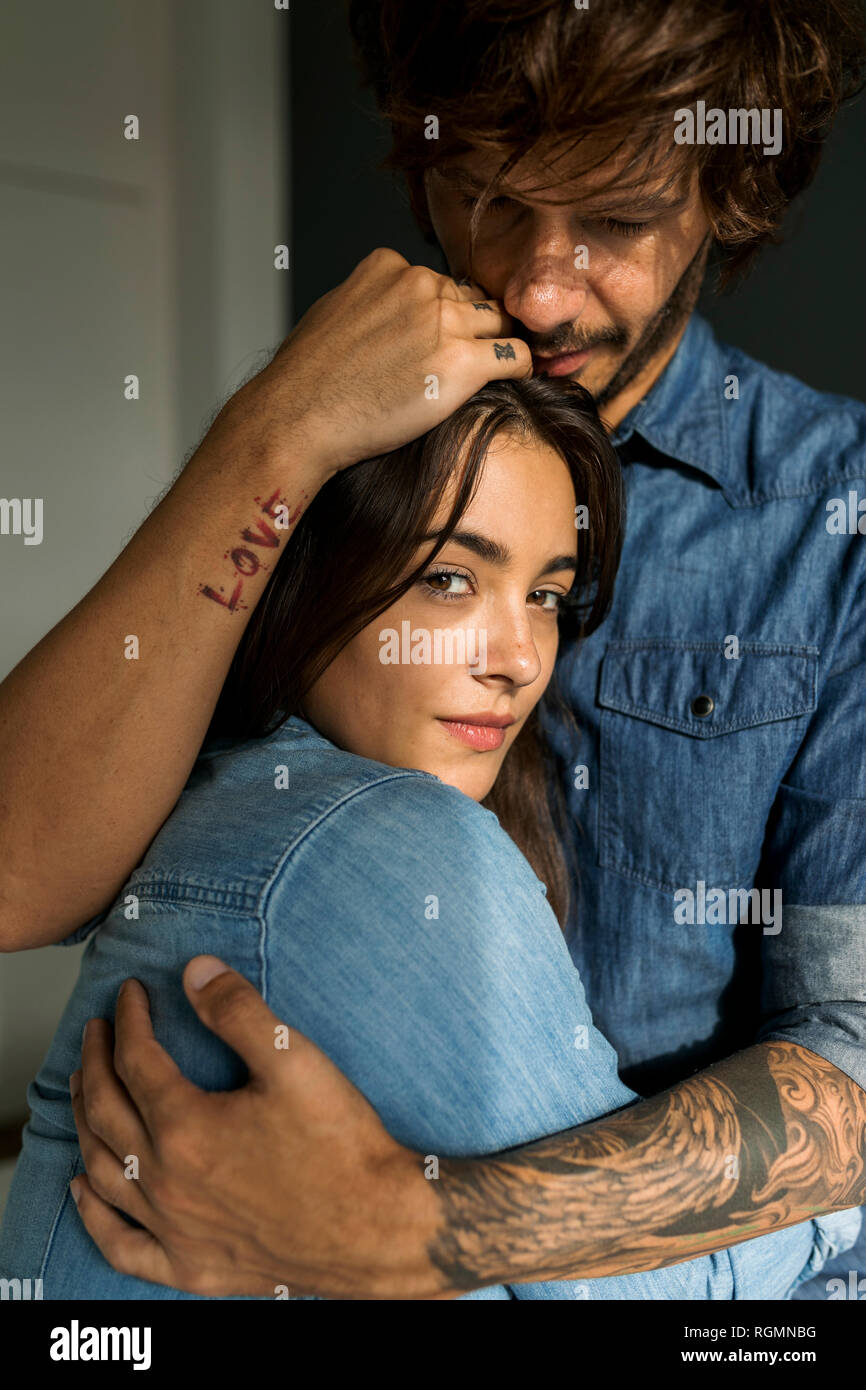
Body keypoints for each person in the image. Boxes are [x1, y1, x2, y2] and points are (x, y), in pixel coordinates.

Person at [1, 0, 865, 1300]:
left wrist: (423, 1230)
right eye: (480, 192)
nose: (529, 282)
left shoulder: (831, 514)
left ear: (728, 188)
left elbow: (853, 1054)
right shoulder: (329, 440)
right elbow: (17, 874)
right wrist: (272, 433)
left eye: (614, 223)